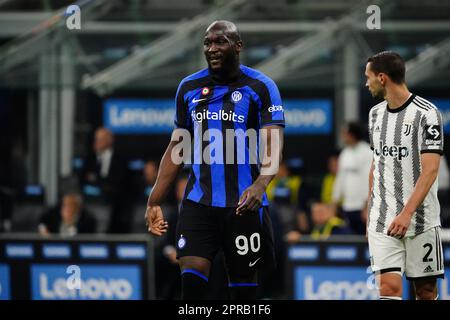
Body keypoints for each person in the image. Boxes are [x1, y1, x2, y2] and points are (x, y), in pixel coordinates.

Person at [145, 20, 284, 300]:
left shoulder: (261, 87)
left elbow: (273, 141)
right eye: (207, 43)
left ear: (238, 46)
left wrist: (261, 183)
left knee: (244, 294)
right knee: (191, 286)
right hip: (199, 204)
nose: (212, 48)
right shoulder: (188, 87)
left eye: (220, 42)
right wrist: (154, 200)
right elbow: (177, 148)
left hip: (243, 204)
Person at [365, 51, 444, 300]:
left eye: (368, 77)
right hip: (382, 220)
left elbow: (430, 169)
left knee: (426, 292)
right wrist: (371, 209)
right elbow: (376, 163)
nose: (366, 83)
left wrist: (407, 214)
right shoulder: (375, 115)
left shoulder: (427, 114)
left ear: (382, 77)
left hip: (420, 220)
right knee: (388, 290)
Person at [80, 127, 129, 233]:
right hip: (90, 202)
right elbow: (84, 180)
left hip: (114, 204)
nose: (96, 142)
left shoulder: (120, 159)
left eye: (100, 139)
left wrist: (98, 181)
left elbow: (120, 183)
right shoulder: (89, 159)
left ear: (109, 140)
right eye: (95, 139)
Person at [333, 122, 373, 234]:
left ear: (352, 134)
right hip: (347, 207)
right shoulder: (344, 153)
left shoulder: (367, 152)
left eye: (345, 133)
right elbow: (340, 179)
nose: (342, 136)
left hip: (362, 207)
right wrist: (335, 201)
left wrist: (367, 205)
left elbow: (369, 179)